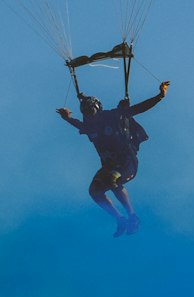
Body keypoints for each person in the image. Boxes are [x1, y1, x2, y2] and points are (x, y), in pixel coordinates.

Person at [56, 81, 170, 236]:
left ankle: (133, 217)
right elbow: (79, 125)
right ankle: (120, 219)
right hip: (109, 166)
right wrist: (67, 118)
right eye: (86, 113)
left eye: (90, 111)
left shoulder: (114, 116)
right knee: (94, 192)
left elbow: (138, 109)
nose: (89, 116)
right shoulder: (90, 126)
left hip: (127, 164)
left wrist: (160, 96)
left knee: (111, 178)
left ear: (97, 109)